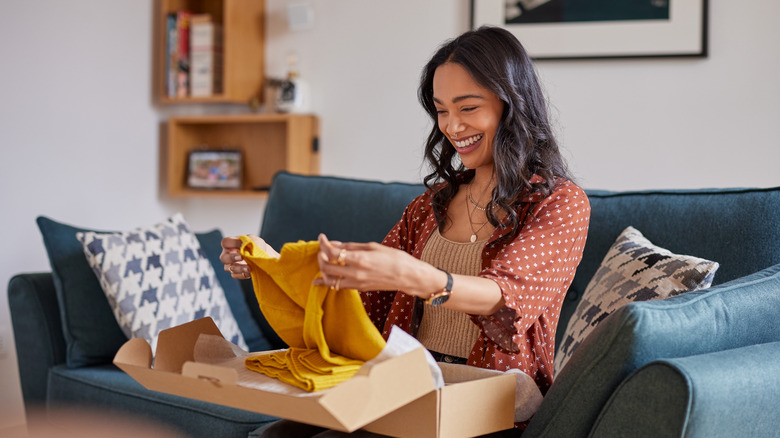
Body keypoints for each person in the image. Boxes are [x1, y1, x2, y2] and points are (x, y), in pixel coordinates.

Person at [221, 25, 590, 437]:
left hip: (491, 406)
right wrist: (270, 265)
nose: (452, 126)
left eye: (468, 108)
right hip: (406, 388)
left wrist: (413, 276)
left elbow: (505, 296)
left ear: (511, 104)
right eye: (441, 109)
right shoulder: (429, 205)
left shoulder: (559, 203)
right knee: (273, 435)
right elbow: (359, 301)